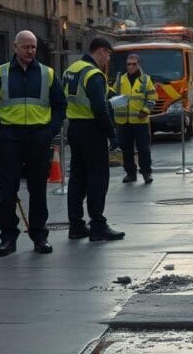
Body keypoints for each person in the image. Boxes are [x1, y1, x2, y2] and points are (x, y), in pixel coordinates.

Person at [0, 30, 66, 257]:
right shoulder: (1, 73)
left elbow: (60, 105)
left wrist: (50, 131)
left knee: (38, 190)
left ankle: (39, 236)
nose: (31, 51)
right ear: (15, 47)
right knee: (7, 191)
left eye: (34, 47)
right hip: (11, 139)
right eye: (26, 46)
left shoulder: (47, 74)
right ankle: (8, 237)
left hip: (38, 138)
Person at [63, 38, 125, 241]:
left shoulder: (71, 70)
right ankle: (98, 225)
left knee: (77, 179)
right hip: (92, 130)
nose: (108, 59)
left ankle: (76, 225)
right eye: (108, 54)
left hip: (74, 128)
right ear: (100, 51)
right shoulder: (93, 74)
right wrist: (112, 134)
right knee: (98, 179)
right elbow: (100, 108)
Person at [113, 54, 159, 184]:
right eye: (129, 64)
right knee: (126, 149)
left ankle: (146, 173)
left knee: (143, 149)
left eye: (134, 64)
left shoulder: (145, 80)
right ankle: (130, 173)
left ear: (138, 64)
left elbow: (153, 98)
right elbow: (113, 97)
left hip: (140, 122)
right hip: (123, 122)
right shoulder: (121, 80)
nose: (131, 66)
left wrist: (145, 111)